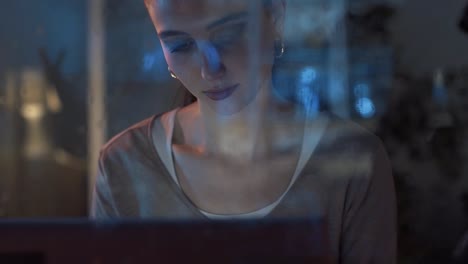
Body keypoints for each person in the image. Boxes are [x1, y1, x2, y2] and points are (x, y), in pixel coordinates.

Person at [91, 0, 397, 263]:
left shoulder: (351, 161)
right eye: (180, 45)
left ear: (274, 16)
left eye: (227, 35)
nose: (209, 69)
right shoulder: (126, 164)